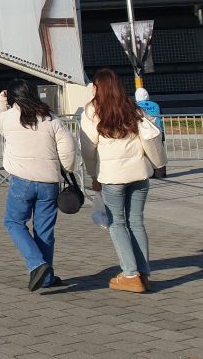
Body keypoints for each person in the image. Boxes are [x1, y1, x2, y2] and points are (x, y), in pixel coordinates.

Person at [0, 78, 76, 291]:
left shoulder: (9, 118)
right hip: (49, 181)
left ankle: (37, 264)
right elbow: (69, 146)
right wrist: (67, 168)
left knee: (14, 222)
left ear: (12, 98)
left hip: (21, 180)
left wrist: (0, 100)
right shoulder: (50, 118)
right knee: (44, 230)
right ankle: (46, 277)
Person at [79, 68, 155, 293]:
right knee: (136, 222)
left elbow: (88, 148)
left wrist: (93, 176)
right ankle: (144, 273)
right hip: (139, 173)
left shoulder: (92, 111)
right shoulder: (132, 107)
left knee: (117, 223)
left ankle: (130, 274)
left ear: (97, 87)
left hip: (112, 176)